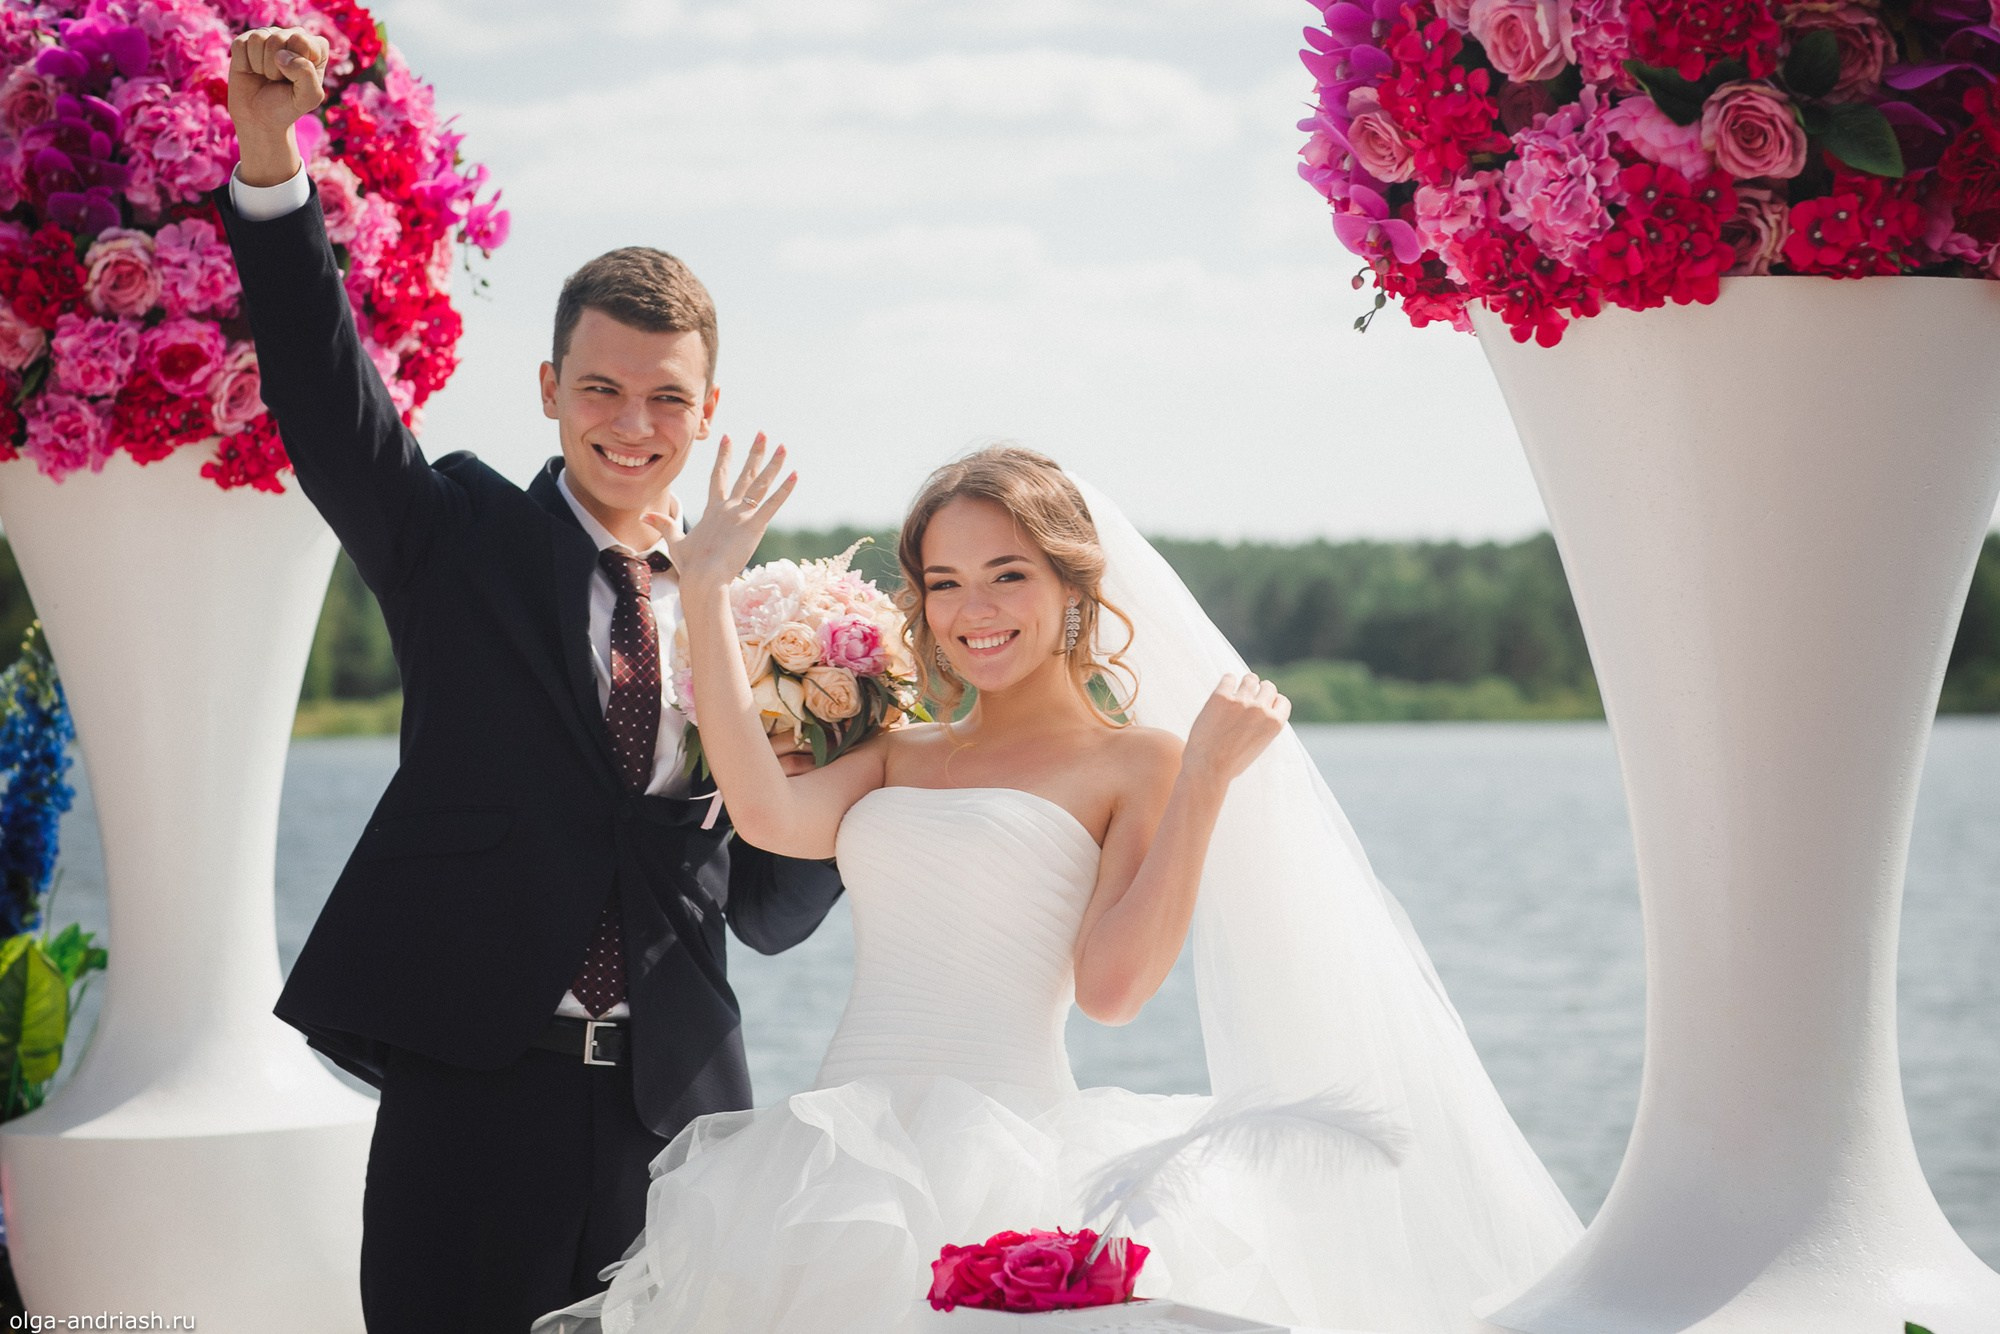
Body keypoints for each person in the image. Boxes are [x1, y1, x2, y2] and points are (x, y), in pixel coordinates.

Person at [534, 444, 1584, 1334]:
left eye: (1006, 575)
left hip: (1008, 1153)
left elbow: (1113, 988)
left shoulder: (1137, 761)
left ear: (1073, 586)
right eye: (942, 582)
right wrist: (708, 590)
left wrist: (1206, 777)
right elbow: (765, 815)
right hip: (831, 1162)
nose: (971, 611)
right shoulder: (901, 750)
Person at [214, 27, 847, 1332]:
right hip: (474, 1094)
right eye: (602, 388)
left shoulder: (756, 620)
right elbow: (329, 401)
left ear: (708, 409)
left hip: (679, 1112)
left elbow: (778, 901)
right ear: (550, 389)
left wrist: (883, 756)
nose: (633, 422)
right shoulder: (458, 541)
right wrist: (272, 165)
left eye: (667, 397)